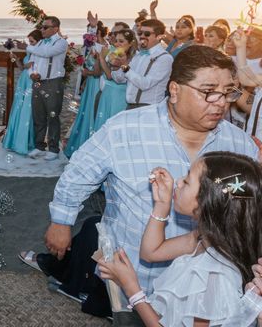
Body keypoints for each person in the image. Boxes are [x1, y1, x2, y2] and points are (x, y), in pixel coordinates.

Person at [46, 46, 256, 326]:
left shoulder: (238, 143)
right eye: (208, 91)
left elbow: (244, 207)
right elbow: (79, 173)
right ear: (175, 90)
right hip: (134, 273)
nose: (220, 103)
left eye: (228, 92)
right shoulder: (124, 129)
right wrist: (61, 221)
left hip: (208, 291)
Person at [97, 152, 262, 326]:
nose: (178, 181)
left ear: (206, 201)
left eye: (187, 180)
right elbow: (150, 252)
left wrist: (132, 289)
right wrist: (162, 204)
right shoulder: (205, 239)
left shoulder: (214, 274)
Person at [18, 16, 68, 161]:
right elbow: (31, 62)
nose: (42, 30)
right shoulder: (39, 43)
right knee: (38, 115)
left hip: (53, 83)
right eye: (42, 27)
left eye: (45, 27)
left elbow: (47, 53)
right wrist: (31, 74)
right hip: (38, 83)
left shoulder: (61, 43)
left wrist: (26, 47)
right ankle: (39, 146)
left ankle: (53, 148)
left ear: (56, 28)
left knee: (52, 116)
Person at [65, 21, 107, 158]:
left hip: (96, 85)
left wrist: (86, 74)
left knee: (90, 113)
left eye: (91, 32)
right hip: (90, 84)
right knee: (84, 112)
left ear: (97, 33)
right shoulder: (93, 47)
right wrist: (85, 81)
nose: (88, 35)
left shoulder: (102, 48)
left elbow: (97, 72)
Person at [112, 19, 173, 109]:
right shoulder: (139, 55)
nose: (142, 36)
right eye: (140, 33)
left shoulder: (164, 58)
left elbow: (145, 84)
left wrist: (125, 67)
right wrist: (118, 65)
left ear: (159, 37)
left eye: (147, 34)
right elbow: (120, 80)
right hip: (130, 106)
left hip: (149, 108)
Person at [2, 29, 42, 155]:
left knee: (27, 110)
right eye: (29, 41)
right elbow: (22, 68)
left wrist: (23, 60)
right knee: (19, 107)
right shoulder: (29, 52)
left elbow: (29, 67)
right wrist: (16, 59)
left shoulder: (39, 54)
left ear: (39, 41)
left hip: (31, 82)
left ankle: (24, 142)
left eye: (32, 41)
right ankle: (14, 141)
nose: (30, 43)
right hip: (23, 82)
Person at [94, 29, 136, 130]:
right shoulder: (116, 54)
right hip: (108, 92)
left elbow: (110, 76)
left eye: (121, 41)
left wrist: (102, 58)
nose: (117, 44)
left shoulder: (133, 58)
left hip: (120, 96)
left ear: (130, 43)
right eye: (116, 41)